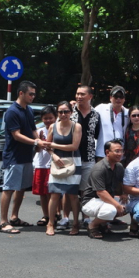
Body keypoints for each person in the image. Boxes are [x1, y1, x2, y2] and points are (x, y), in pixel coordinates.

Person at [0, 80, 45, 234]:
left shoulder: (29, 110)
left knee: (21, 188)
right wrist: (35, 142)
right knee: (9, 188)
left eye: (34, 94)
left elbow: (32, 129)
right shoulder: (12, 111)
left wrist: (37, 142)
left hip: (26, 156)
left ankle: (14, 217)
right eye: (30, 94)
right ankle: (3, 222)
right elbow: (16, 135)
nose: (33, 96)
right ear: (21, 93)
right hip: (14, 156)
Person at [45, 101, 83, 236]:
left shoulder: (76, 126)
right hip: (57, 162)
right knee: (54, 194)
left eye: (66, 111)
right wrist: (53, 155)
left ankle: (76, 224)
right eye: (60, 112)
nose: (63, 114)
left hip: (73, 162)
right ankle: (50, 223)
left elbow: (74, 146)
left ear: (71, 112)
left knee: (73, 195)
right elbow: (47, 146)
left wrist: (54, 145)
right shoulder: (52, 127)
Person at [81, 139, 127, 239]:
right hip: (91, 201)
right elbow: (101, 192)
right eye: (117, 151)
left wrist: (124, 194)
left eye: (121, 151)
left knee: (130, 204)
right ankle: (92, 225)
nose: (120, 154)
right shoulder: (99, 168)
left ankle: (103, 223)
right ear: (107, 152)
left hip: (106, 200)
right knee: (111, 210)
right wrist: (117, 205)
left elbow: (122, 184)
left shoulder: (119, 166)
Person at [71, 85, 100, 199]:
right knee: (69, 189)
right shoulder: (69, 112)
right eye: (77, 94)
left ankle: (86, 216)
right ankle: (66, 217)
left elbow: (97, 135)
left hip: (88, 157)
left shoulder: (96, 114)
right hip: (70, 156)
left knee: (86, 190)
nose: (79, 96)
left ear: (90, 96)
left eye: (82, 94)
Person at [32, 106, 57, 228]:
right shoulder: (39, 130)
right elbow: (36, 149)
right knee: (42, 192)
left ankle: (56, 215)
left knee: (52, 192)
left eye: (50, 118)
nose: (48, 120)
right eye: (45, 118)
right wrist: (39, 141)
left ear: (55, 118)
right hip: (41, 163)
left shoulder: (59, 129)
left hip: (53, 164)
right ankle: (46, 215)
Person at [94, 85, 128, 160]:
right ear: (110, 98)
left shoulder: (127, 113)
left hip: (120, 155)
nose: (118, 99)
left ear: (124, 99)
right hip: (102, 153)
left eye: (121, 97)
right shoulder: (101, 108)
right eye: (116, 96)